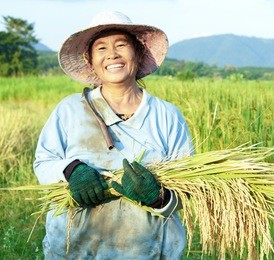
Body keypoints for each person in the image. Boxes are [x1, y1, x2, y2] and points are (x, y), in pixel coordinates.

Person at [33, 10, 193, 259]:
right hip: (76, 248)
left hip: (148, 250)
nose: (112, 54)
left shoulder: (167, 116)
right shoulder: (71, 110)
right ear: (90, 60)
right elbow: (43, 163)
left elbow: (187, 189)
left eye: (121, 45)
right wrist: (72, 170)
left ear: (138, 54)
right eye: (101, 48)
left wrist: (157, 197)